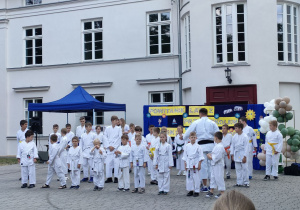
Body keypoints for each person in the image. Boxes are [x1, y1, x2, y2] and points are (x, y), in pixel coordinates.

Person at [182, 108, 219, 192]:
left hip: (201, 146)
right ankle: (211, 185)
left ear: (200, 114)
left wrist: (183, 137)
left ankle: (205, 186)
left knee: (203, 166)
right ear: (207, 113)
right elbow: (218, 134)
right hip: (211, 146)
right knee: (211, 166)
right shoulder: (212, 123)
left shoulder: (196, 122)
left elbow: (188, 132)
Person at [182, 132, 204, 197]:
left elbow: (201, 156)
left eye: (194, 137)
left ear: (196, 138)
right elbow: (185, 156)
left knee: (196, 178)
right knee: (189, 177)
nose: (193, 139)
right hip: (189, 162)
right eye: (192, 137)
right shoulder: (186, 146)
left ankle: (197, 191)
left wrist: (199, 164)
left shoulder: (198, 146)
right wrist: (185, 164)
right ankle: (190, 190)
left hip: (195, 163)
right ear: (189, 138)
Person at [206, 132, 226, 198]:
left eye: (214, 137)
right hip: (214, 164)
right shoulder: (217, 145)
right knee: (213, 177)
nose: (213, 138)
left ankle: (222, 192)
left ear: (216, 138)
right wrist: (210, 155)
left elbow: (218, 157)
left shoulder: (220, 146)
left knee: (219, 177)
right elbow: (214, 154)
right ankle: (211, 190)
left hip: (218, 165)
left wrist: (210, 157)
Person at [230, 123, 249, 187]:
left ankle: (246, 182)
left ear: (240, 128)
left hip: (243, 153)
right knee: (238, 169)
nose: (235, 129)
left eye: (236, 128)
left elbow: (246, 147)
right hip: (236, 153)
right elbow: (232, 145)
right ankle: (239, 182)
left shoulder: (245, 136)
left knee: (244, 168)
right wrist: (232, 154)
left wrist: (245, 156)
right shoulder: (234, 136)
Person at [104, 115, 122, 183]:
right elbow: (105, 137)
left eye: (117, 120)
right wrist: (109, 146)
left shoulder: (119, 128)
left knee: (116, 163)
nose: (117, 121)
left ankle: (116, 177)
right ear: (112, 121)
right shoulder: (107, 128)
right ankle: (109, 177)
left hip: (116, 148)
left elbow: (119, 138)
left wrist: (114, 146)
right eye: (116, 120)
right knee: (108, 163)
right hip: (109, 148)